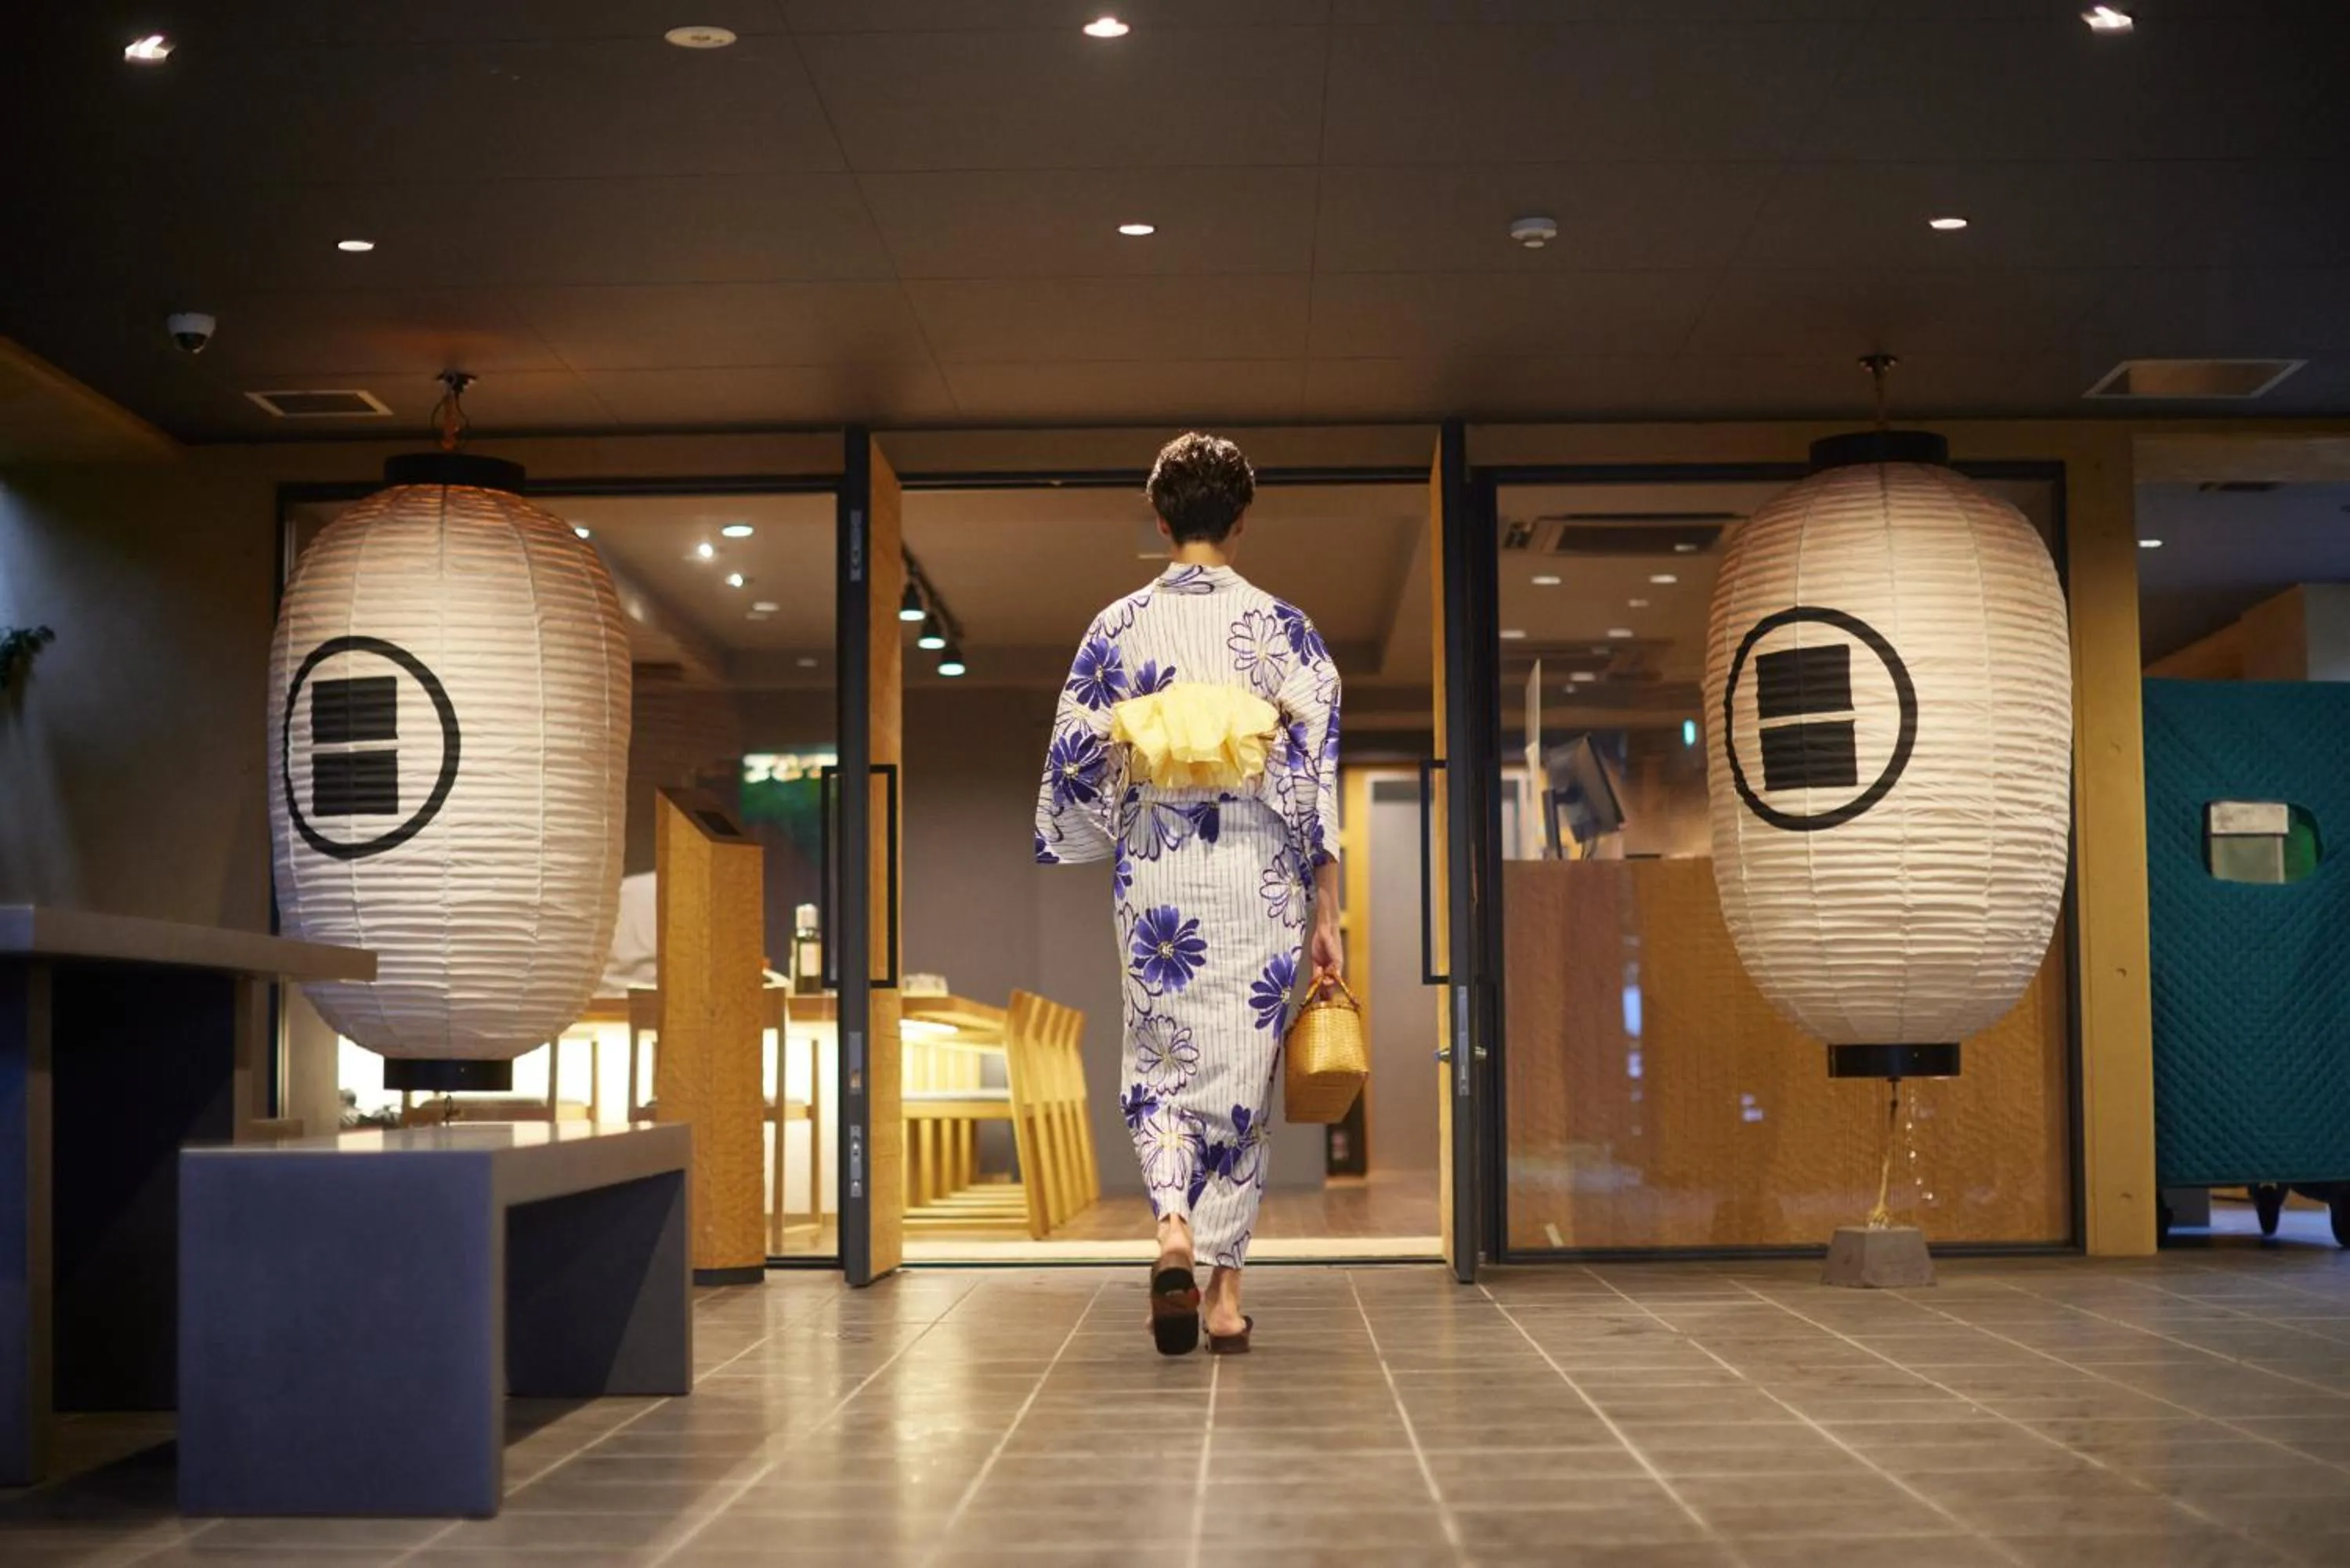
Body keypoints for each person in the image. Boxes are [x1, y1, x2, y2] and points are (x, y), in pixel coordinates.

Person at [1033, 432, 1342, 1357]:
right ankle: (1222, 1299)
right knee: (1242, 1079)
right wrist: (1327, 912)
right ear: (1241, 521)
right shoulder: (1286, 631)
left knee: (1161, 1060)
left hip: (1160, 870)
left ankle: (1172, 1224)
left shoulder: (1117, 628)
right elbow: (1313, 780)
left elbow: (1078, 759)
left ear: (1162, 520)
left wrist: (1129, 790)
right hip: (1259, 876)